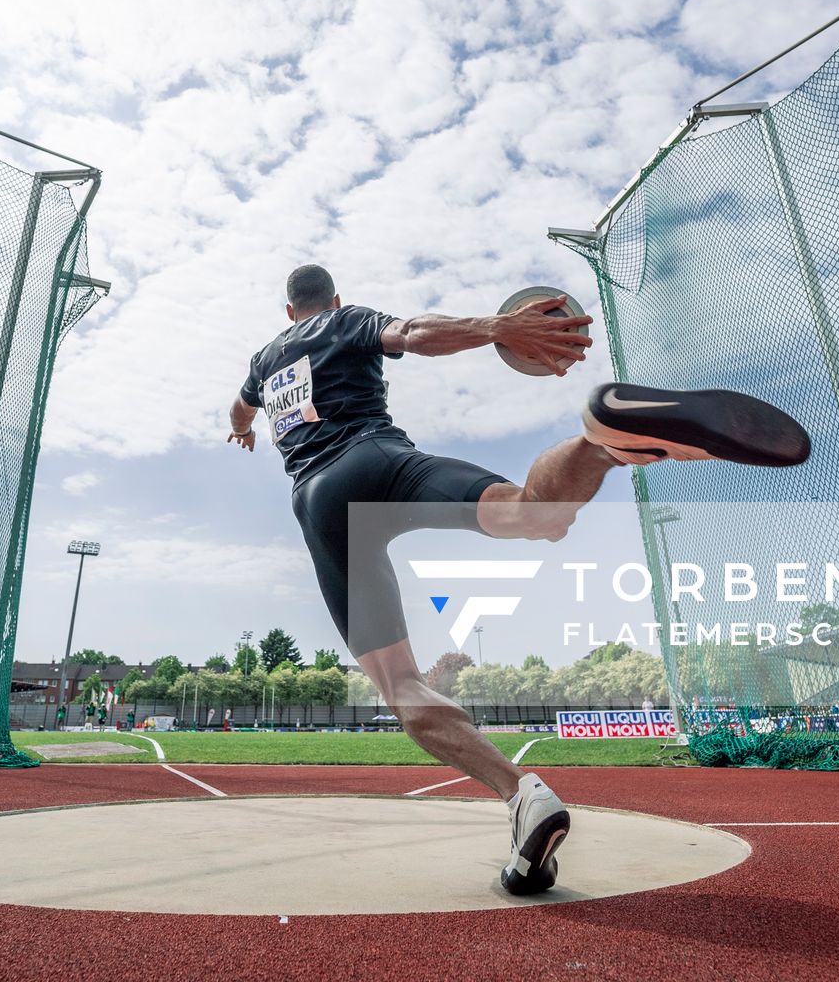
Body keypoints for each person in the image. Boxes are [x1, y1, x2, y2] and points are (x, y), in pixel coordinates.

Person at [227, 265, 809, 894]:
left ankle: (519, 793)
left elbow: (240, 407)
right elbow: (413, 333)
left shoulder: (265, 360)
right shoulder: (346, 320)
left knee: (401, 687)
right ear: (331, 301)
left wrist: (240, 428)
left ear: (290, 312)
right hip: (382, 462)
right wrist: (497, 326)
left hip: (320, 497)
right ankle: (602, 443)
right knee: (535, 514)